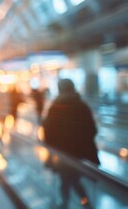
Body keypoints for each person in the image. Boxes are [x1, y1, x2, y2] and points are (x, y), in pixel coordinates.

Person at [43, 79, 100, 209]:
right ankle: (82, 203)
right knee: (71, 179)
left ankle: (69, 204)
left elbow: (48, 132)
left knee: (67, 179)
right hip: (80, 154)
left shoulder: (55, 106)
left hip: (62, 154)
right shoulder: (82, 105)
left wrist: (53, 148)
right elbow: (92, 129)